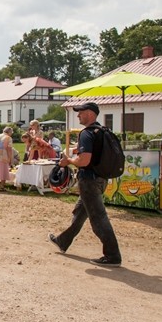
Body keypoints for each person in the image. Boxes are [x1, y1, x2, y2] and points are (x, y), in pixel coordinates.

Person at [48, 102, 122, 267]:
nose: (78, 115)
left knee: (98, 218)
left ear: (89, 113)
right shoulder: (102, 131)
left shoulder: (87, 133)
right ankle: (63, 241)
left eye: (80, 112)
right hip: (101, 179)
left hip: (89, 180)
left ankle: (112, 255)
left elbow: (84, 160)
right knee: (80, 212)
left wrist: (68, 161)